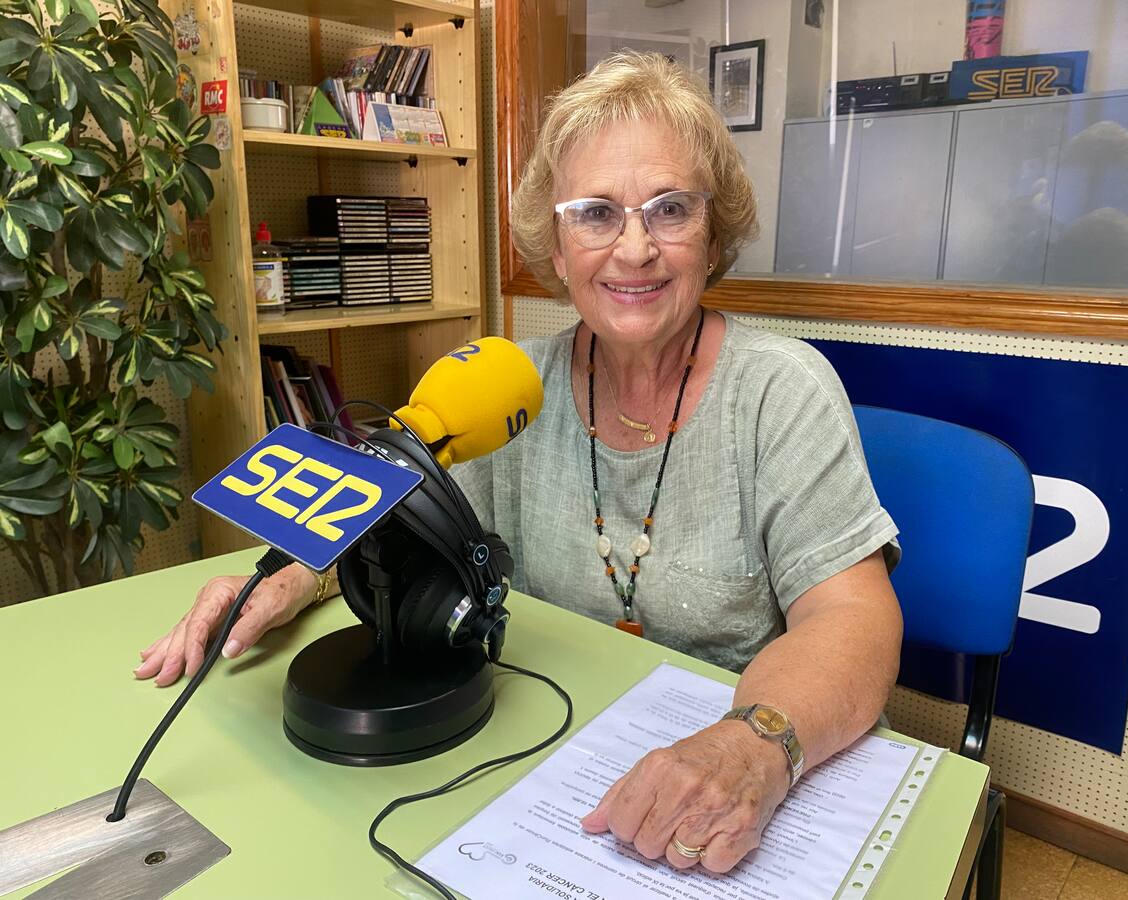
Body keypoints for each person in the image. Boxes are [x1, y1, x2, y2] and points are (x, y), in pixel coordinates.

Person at [136, 51, 903, 874]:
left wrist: (751, 749)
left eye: (671, 209)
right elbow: (392, 513)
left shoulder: (782, 391)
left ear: (713, 235)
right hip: (553, 762)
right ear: (557, 246)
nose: (635, 248)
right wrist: (287, 577)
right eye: (596, 213)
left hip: (743, 789)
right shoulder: (509, 388)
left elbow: (854, 620)